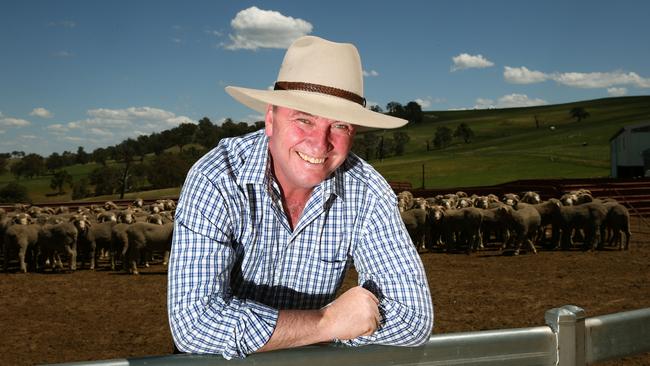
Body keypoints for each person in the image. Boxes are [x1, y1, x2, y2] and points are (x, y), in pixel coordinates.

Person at [167, 35, 433, 359]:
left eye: (339, 125)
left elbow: (414, 318)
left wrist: (295, 333)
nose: (320, 144)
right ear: (270, 118)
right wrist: (327, 323)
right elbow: (194, 325)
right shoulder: (218, 177)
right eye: (304, 119)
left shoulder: (367, 192)